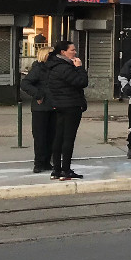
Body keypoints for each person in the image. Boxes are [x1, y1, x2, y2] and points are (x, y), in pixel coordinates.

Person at [44, 40, 88, 181]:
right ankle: (66, 170)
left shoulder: (53, 66)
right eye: (72, 50)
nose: (75, 52)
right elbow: (81, 82)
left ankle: (56, 170)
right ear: (63, 52)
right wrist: (80, 68)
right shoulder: (65, 67)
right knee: (68, 138)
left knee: (59, 137)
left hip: (59, 105)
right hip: (71, 105)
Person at [18, 45, 56, 173]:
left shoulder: (54, 68)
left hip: (54, 106)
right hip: (41, 107)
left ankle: (46, 162)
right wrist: (39, 94)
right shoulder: (38, 68)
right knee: (40, 137)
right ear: (46, 56)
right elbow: (25, 84)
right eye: (52, 54)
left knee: (51, 136)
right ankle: (39, 163)